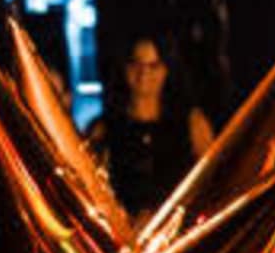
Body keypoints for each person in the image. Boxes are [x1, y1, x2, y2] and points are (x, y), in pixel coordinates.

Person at [87, 34, 215, 216]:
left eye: (153, 66)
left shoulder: (192, 123)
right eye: (136, 65)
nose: (144, 74)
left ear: (166, 70)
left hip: (178, 232)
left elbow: (213, 181)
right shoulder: (104, 129)